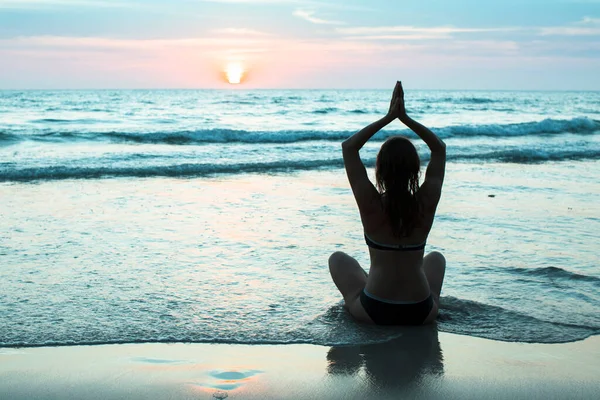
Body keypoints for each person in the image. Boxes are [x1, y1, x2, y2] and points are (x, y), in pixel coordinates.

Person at [329, 81, 446, 325]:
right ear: (415, 170)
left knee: (338, 260)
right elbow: (439, 149)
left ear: (380, 170)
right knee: (436, 259)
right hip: (421, 311)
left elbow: (349, 147)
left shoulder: (370, 203)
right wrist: (406, 119)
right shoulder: (425, 203)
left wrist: (388, 117)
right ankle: (426, 299)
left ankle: (366, 284)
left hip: (376, 310)